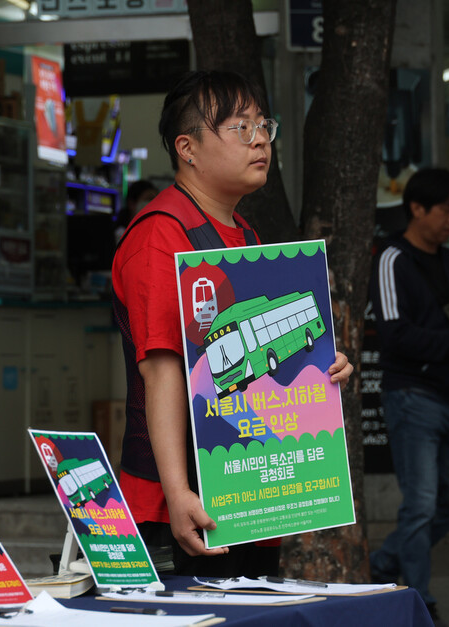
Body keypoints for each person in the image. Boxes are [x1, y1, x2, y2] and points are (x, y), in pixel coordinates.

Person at [111, 70, 353, 577]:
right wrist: (178, 493)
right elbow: (163, 372)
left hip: (247, 495)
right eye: (240, 127)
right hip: (176, 509)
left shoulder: (243, 232)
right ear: (188, 148)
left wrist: (317, 366)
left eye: (264, 125)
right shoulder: (161, 235)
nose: (261, 138)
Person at [369, 167, 449, 623]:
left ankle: (385, 562)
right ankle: (420, 601)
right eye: (445, 210)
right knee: (421, 504)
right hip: (413, 396)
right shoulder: (391, 259)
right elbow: (394, 336)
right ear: (417, 209)